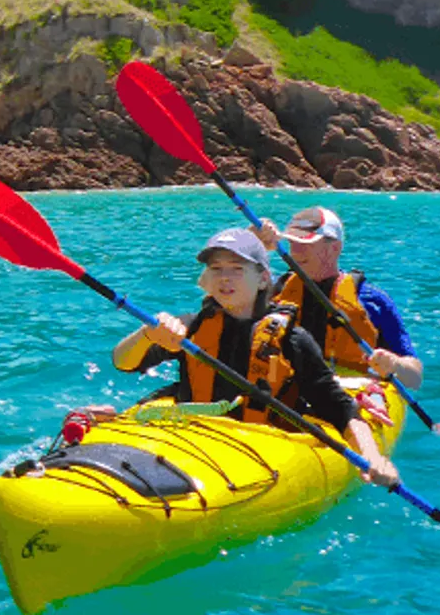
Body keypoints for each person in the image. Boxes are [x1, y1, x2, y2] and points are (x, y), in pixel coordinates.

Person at [111, 227, 399, 486]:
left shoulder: (291, 339)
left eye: (236, 268)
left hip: (259, 451)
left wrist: (373, 457)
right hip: (191, 442)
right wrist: (147, 333)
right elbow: (123, 362)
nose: (224, 277)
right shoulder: (190, 326)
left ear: (263, 279)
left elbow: (339, 408)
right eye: (216, 268)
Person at [253, 206, 423, 389]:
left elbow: (415, 378)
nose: (296, 252)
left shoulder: (372, 301)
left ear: (334, 248)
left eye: (305, 244)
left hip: (350, 393)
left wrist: (395, 364)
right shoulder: (275, 291)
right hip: (289, 388)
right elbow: (226, 301)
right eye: (293, 243)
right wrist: (253, 244)